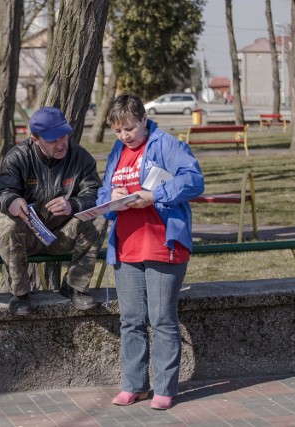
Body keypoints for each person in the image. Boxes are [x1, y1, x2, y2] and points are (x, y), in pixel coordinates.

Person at [97, 94, 204, 410]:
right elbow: (104, 193)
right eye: (118, 131)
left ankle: (165, 388)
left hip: (161, 244)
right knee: (130, 319)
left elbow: (193, 180)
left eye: (129, 128)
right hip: (127, 247)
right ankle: (134, 385)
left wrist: (154, 195)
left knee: (161, 319)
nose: (125, 136)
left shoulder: (167, 145)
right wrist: (111, 196)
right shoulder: (118, 151)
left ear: (144, 119)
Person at [0, 106, 107, 316]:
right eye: (53, 140)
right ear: (35, 139)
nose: (61, 144)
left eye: (64, 136)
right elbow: (2, 193)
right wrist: (13, 200)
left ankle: (75, 286)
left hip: (63, 234)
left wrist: (72, 205)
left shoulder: (80, 156)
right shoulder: (17, 157)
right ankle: (20, 294)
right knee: (5, 223)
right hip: (28, 235)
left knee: (98, 218)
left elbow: (94, 192)